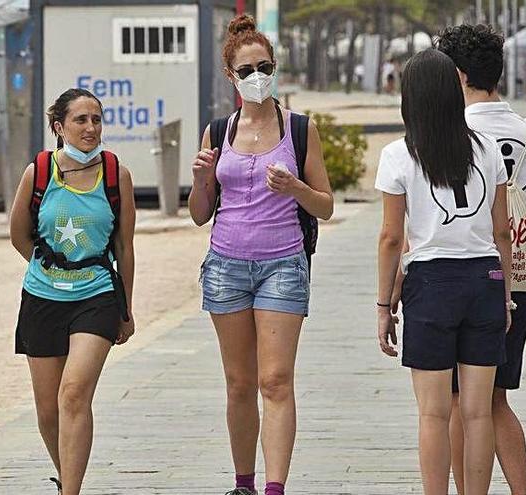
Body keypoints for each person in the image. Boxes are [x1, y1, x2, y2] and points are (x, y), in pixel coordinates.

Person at [188, 14, 334, 495]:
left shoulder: (298, 129)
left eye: (264, 66)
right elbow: (199, 213)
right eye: (246, 69)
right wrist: (201, 179)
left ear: (275, 68)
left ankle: (274, 487)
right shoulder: (217, 131)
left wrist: (294, 187)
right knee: (238, 383)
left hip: (283, 265)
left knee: (274, 380)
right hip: (226, 265)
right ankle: (243, 483)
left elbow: (326, 205)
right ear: (231, 75)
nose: (256, 77)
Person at [376, 49, 513, 495]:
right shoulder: (487, 150)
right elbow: (502, 232)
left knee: (434, 414)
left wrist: (384, 305)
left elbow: (391, 239)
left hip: (431, 286)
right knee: (477, 413)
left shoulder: (398, 155)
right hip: (484, 282)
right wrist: (506, 295)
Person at [9, 88, 136, 495]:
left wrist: (125, 309)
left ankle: (71, 492)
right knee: (48, 411)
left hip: (96, 295)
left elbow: (124, 247)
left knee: (73, 392)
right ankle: (66, 473)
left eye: (96, 119)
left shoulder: (116, 173)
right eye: (81, 120)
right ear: (59, 127)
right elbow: (18, 235)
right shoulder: (39, 171)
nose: (91, 128)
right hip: (43, 297)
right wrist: (53, 267)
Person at [435, 24, 526, 495]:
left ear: (457, 76)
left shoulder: (458, 133)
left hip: (474, 277)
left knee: (461, 401)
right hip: (519, 274)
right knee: (496, 400)